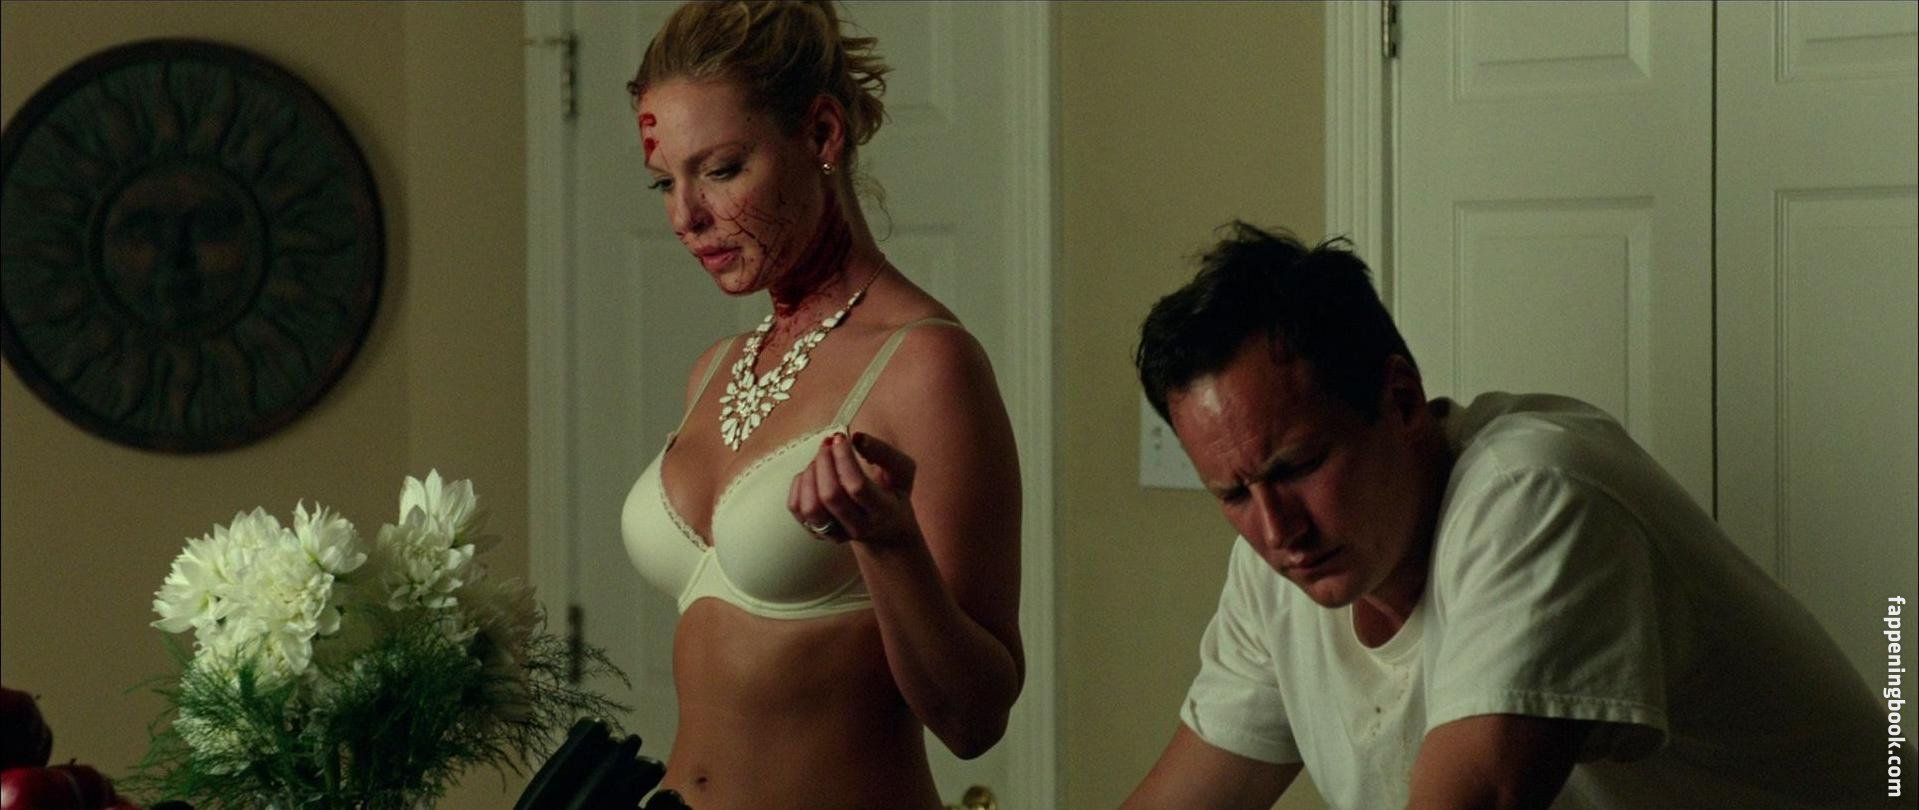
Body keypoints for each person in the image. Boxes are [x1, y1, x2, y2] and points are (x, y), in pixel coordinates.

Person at [1121, 222, 1893, 809]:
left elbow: (1478, 796)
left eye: (1297, 467)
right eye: (1232, 494)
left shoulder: (1533, 493)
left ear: (1400, 401)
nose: (1276, 531)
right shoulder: (1278, 569)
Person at [615, 3, 1023, 808]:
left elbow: (974, 718)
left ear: (822, 135)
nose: (685, 217)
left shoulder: (926, 364)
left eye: (721, 169)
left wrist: (890, 544)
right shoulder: (713, 371)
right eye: (666, 182)